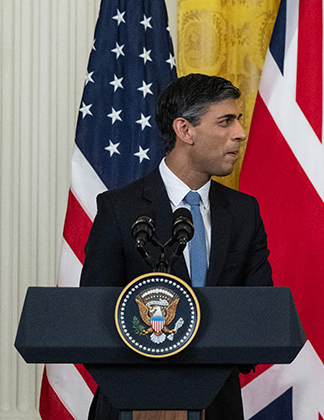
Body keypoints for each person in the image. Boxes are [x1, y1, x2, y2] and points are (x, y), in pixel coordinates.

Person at [81, 73, 273, 420]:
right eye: (226, 121)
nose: (240, 133)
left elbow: (259, 313)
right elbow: (94, 316)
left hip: (218, 406)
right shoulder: (120, 210)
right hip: (131, 403)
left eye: (238, 120)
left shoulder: (244, 212)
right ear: (185, 130)